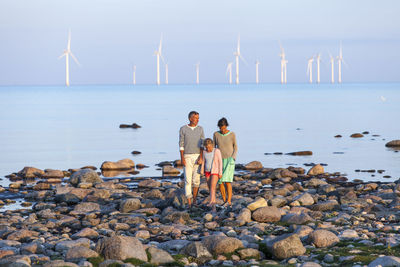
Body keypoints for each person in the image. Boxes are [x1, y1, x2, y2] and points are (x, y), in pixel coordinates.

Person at [179, 111, 204, 208]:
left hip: (197, 156)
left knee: (196, 180)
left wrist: (201, 157)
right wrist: (182, 158)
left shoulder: (200, 129)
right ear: (190, 118)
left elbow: (202, 144)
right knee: (188, 180)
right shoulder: (183, 129)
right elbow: (181, 144)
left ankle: (195, 201)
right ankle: (189, 202)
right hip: (187, 156)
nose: (197, 120)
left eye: (198, 118)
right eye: (195, 118)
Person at [213, 117, 237, 208]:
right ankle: (224, 200)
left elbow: (235, 147)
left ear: (226, 126)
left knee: (227, 181)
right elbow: (214, 147)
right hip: (219, 160)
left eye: (223, 128)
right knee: (220, 181)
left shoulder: (232, 134)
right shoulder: (216, 134)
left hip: (229, 160)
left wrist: (233, 158)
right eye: (220, 128)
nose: (222, 130)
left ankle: (229, 201)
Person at [200, 138, 223, 211]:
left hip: (215, 171)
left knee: (213, 186)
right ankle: (213, 199)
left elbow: (220, 162)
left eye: (209, 147)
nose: (208, 149)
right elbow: (203, 161)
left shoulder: (216, 151)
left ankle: (212, 202)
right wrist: (202, 170)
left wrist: (220, 172)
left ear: (212, 145)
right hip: (207, 171)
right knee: (210, 187)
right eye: (207, 147)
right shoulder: (204, 152)